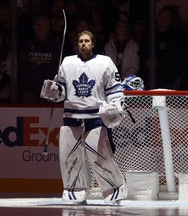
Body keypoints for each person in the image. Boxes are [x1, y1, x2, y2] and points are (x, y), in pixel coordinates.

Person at [40, 30, 127, 205]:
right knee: (68, 155)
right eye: (80, 41)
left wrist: (115, 106)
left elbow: (115, 89)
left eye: (87, 41)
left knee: (99, 155)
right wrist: (55, 91)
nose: (84, 44)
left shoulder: (105, 62)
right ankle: (75, 189)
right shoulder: (67, 62)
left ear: (93, 44)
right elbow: (62, 90)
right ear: (77, 44)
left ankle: (114, 188)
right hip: (71, 115)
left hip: (95, 116)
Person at [18, 15, 61, 103]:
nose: (39, 27)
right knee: (28, 114)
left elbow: (58, 66)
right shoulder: (28, 44)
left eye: (42, 25)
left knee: (48, 114)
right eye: (37, 25)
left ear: (48, 27)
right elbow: (22, 65)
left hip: (50, 86)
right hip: (30, 87)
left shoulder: (55, 45)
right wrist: (24, 82)